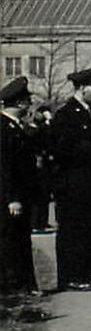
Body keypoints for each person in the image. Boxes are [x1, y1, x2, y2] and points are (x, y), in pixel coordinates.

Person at [49, 66, 91, 291]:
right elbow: (61, 149)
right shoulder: (66, 114)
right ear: (81, 88)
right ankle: (70, 277)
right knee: (72, 230)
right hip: (72, 183)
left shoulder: (90, 111)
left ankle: (87, 273)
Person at [0, 77, 43, 297]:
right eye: (26, 100)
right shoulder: (4, 129)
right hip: (10, 197)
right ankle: (13, 285)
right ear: (18, 103)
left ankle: (24, 284)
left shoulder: (16, 127)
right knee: (10, 241)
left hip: (22, 194)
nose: (29, 104)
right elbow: (5, 168)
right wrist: (12, 198)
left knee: (20, 239)